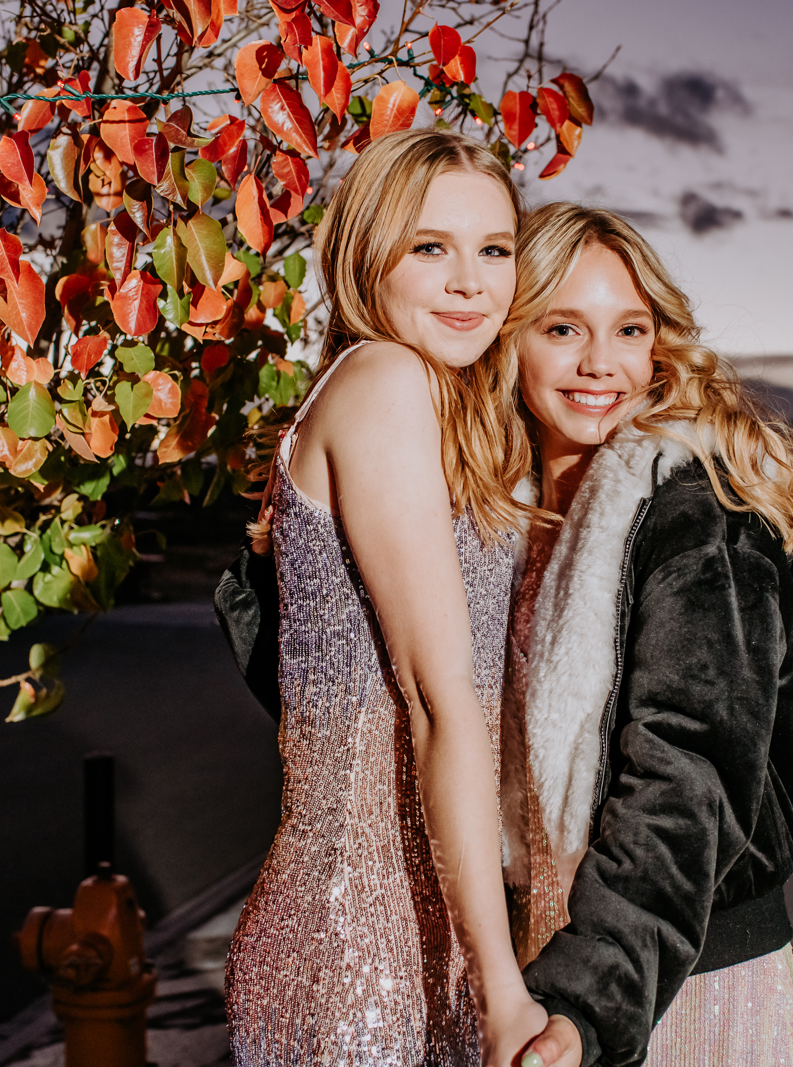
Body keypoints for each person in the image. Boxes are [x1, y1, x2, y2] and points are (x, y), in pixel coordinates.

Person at [224, 129, 547, 1067]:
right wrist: (501, 987)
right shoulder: (384, 381)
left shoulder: (449, 408)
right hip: (359, 951)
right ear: (369, 254)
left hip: (418, 930)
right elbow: (439, 699)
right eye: (430, 247)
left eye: (494, 249)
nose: (470, 283)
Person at [497, 204, 793, 1067]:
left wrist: (587, 997)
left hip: (682, 981)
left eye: (629, 328)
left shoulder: (701, 513)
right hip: (547, 964)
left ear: (660, 344)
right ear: (509, 338)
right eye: (563, 327)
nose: (600, 362)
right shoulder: (508, 520)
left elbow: (691, 771)